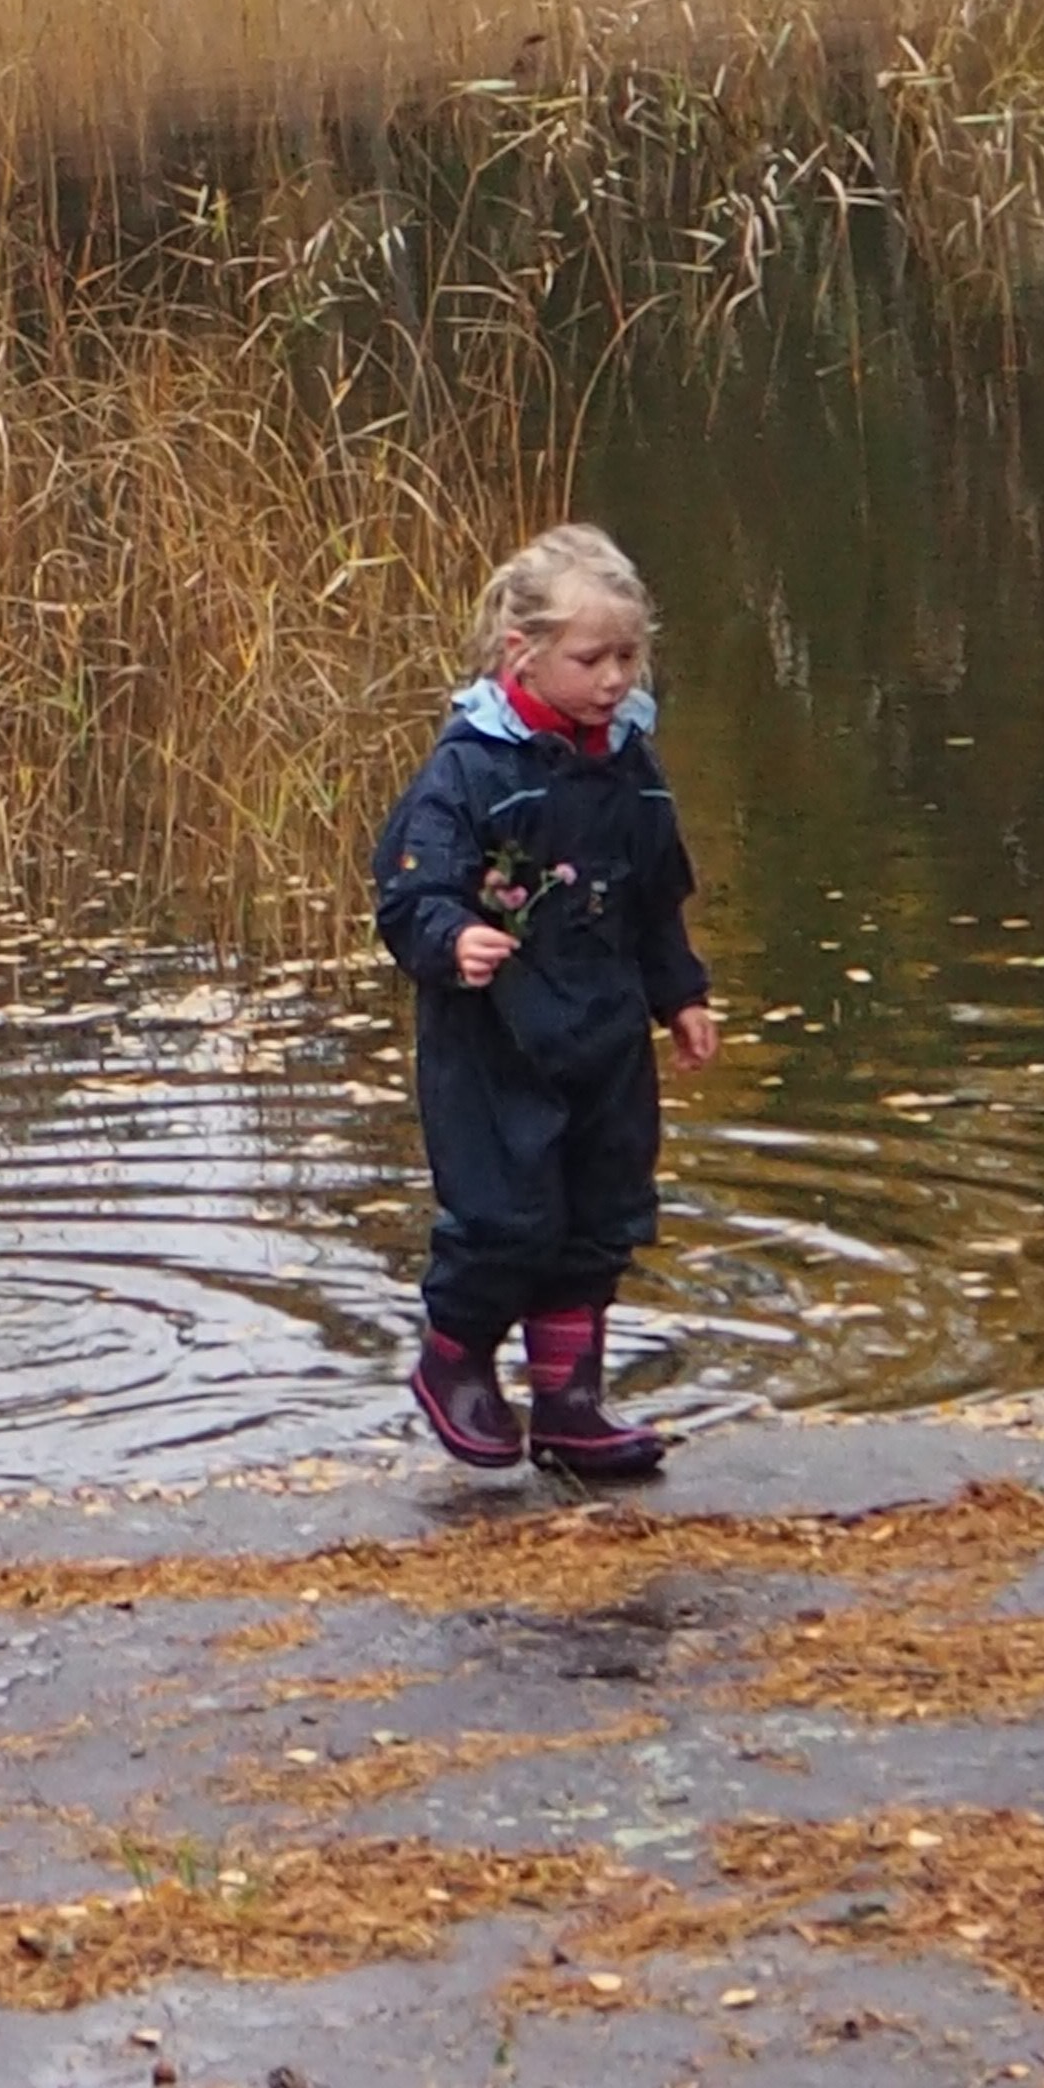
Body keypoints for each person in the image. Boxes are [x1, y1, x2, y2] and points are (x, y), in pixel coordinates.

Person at [371, 521, 720, 1478]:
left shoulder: (630, 766)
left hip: (602, 1032)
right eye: (592, 658)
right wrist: (453, 939)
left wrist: (680, 994)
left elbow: (655, 897)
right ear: (523, 652)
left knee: (603, 1205)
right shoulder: (471, 768)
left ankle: (571, 1401)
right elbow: (408, 891)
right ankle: (456, 1364)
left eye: (629, 656)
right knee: (504, 1214)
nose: (614, 678)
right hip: (496, 1040)